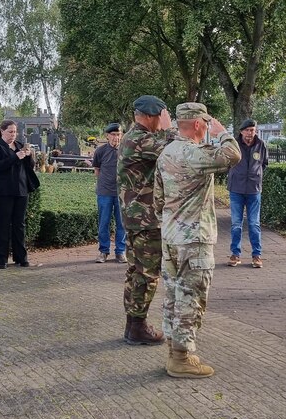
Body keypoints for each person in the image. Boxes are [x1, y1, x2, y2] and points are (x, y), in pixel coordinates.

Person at [154, 102, 241, 378]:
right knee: (191, 297)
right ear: (198, 124)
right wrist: (222, 131)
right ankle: (181, 358)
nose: (207, 127)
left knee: (173, 295)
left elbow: (158, 199)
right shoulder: (194, 153)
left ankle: (174, 350)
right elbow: (233, 155)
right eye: (206, 123)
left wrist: (170, 223)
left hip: (170, 236)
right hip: (193, 240)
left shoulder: (166, 152)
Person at [117, 95, 176, 345]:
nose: (160, 121)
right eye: (159, 116)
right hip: (145, 218)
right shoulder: (140, 139)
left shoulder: (134, 136)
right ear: (151, 117)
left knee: (135, 271)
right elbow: (174, 148)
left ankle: (133, 325)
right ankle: (138, 326)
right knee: (147, 273)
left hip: (136, 217)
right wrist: (170, 125)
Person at [0, 119, 39, 269]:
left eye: (15, 132)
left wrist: (29, 156)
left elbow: (28, 167)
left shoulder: (18, 146)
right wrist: (15, 157)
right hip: (3, 192)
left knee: (19, 224)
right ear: (2, 131)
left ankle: (21, 257)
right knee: (3, 224)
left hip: (21, 190)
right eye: (10, 132)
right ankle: (1, 258)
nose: (13, 135)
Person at [227, 118, 268, 268]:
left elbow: (264, 164)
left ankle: (256, 255)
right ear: (241, 131)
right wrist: (234, 175)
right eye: (247, 130)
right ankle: (235, 254)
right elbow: (227, 162)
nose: (250, 133)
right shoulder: (234, 144)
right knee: (236, 224)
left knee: (254, 224)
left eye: (253, 130)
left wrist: (256, 176)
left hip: (254, 190)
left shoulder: (261, 145)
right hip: (236, 189)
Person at [92, 123, 126, 264]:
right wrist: (103, 184)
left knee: (121, 224)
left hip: (121, 193)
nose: (115, 137)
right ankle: (103, 251)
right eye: (113, 134)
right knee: (104, 222)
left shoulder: (126, 151)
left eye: (118, 134)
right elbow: (97, 170)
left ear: (121, 135)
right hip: (105, 192)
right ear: (107, 136)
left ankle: (120, 252)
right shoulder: (100, 151)